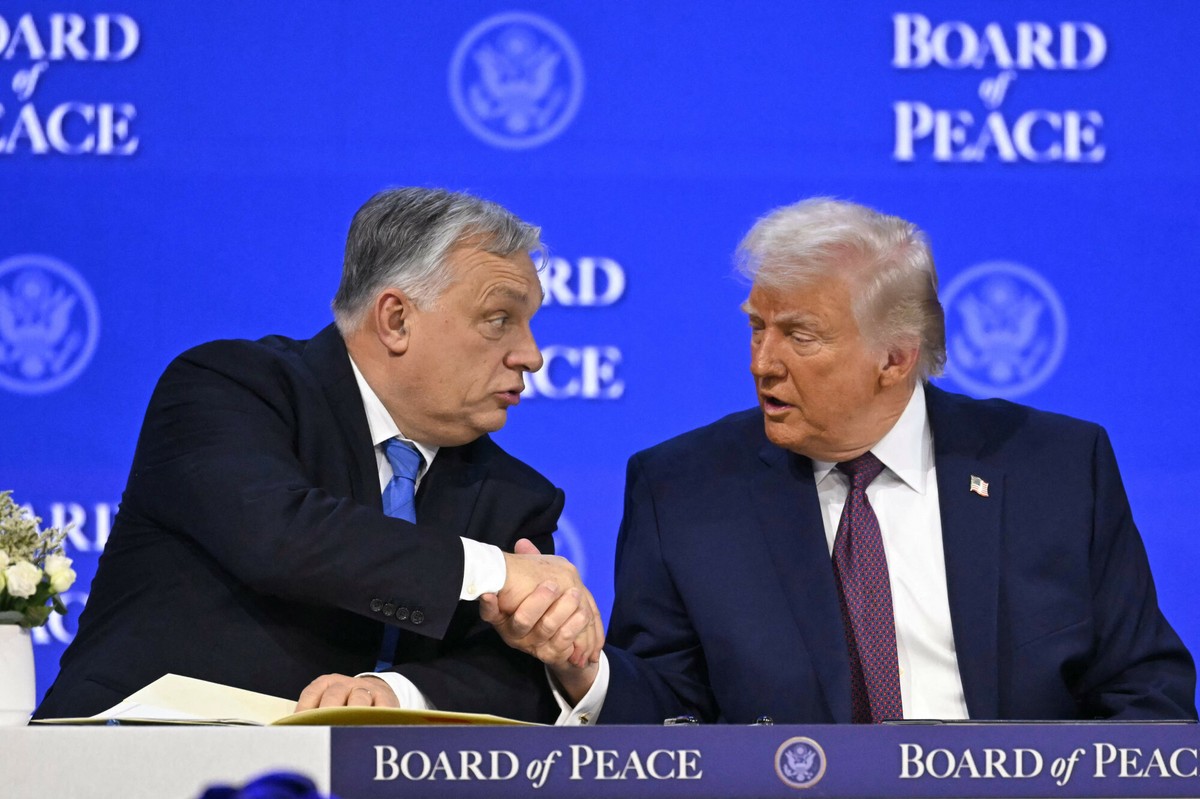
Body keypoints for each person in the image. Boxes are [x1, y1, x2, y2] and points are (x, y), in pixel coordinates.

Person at [491, 197, 1197, 724]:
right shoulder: (681, 488)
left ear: (895, 356)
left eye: (800, 335)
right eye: (756, 328)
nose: (762, 362)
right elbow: (668, 712)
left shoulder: (1056, 468)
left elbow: (1145, 692)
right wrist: (581, 668)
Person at [35, 187, 601, 723]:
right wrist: (496, 572)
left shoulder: (515, 497)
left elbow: (510, 674)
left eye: (530, 323)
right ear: (397, 319)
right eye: (499, 320)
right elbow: (280, 535)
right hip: (127, 762)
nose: (531, 356)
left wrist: (394, 694)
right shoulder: (229, 388)